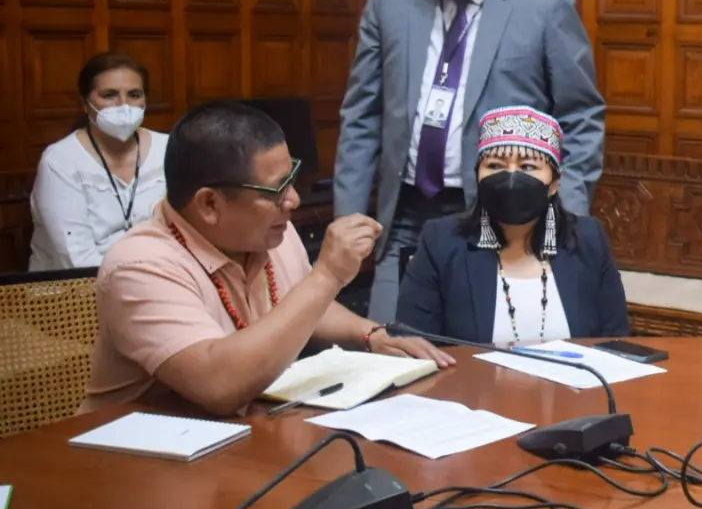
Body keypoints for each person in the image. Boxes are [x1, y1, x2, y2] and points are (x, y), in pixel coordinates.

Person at [334, 0, 605, 326]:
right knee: (389, 348)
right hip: (403, 214)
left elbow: (581, 119)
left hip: (501, 217)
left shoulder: (545, 4)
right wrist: (348, 220)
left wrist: (559, 219)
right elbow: (362, 113)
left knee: (478, 359)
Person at [86, 101, 454, 416]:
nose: (292, 200)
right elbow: (218, 386)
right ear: (210, 204)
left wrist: (370, 334)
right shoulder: (141, 266)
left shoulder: (265, 230)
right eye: (276, 190)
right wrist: (327, 275)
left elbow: (300, 305)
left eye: (291, 178)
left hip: (245, 437)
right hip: (138, 463)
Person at [396, 106, 628, 344]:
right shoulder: (441, 242)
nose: (511, 177)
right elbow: (416, 345)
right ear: (478, 176)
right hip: (472, 381)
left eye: (528, 167)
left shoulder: (588, 239)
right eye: (495, 166)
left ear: (554, 183)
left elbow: (615, 341)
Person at [29, 52, 168, 270]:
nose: (124, 105)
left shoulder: (169, 149)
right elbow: (76, 259)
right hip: (75, 291)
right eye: (109, 95)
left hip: (160, 276)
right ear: (85, 104)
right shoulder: (60, 161)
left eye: (134, 94)